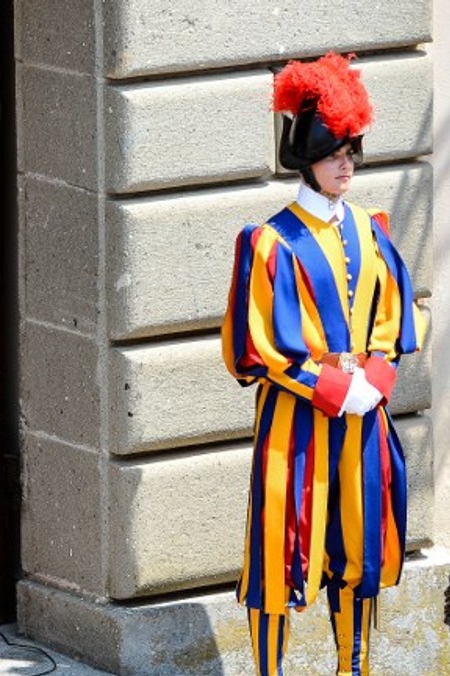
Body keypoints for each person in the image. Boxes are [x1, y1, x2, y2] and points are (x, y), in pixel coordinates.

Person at [221, 53, 425, 676]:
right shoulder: (268, 242)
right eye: (336, 152)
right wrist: (337, 387)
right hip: (296, 422)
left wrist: (376, 380)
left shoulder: (373, 228)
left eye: (352, 151)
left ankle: (353, 668)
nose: (348, 163)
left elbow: (392, 321)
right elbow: (257, 347)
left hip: (363, 417)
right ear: (307, 157)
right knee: (278, 552)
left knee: (359, 546)